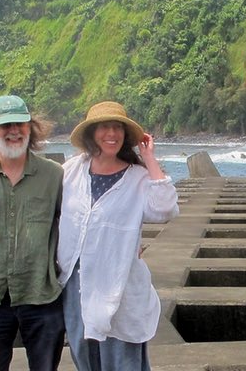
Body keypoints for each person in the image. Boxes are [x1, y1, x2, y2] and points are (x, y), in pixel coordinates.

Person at [60, 101, 179, 370]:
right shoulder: (72, 171)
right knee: (84, 356)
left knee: (121, 359)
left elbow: (166, 208)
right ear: (92, 133)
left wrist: (149, 158)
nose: (111, 134)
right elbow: (39, 185)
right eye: (104, 127)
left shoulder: (137, 178)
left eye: (117, 128)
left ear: (126, 135)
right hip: (76, 286)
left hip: (119, 284)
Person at [0, 95, 65, 371]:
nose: (14, 131)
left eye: (20, 124)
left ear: (30, 128)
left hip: (42, 296)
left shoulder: (55, 176)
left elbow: (79, 220)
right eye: (5, 126)